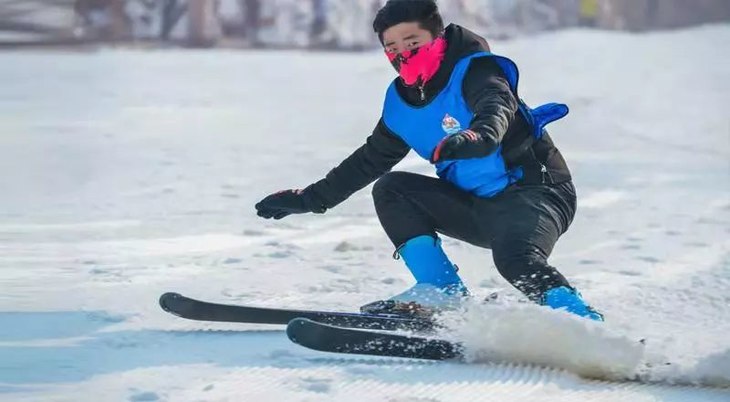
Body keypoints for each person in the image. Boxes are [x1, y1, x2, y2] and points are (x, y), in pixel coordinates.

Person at [255, 0, 603, 321]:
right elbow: (368, 160)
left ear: (438, 36)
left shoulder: (477, 72)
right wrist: (310, 199)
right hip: (478, 205)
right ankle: (442, 291)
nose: (402, 55)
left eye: (412, 43)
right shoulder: (401, 103)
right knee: (393, 188)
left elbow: (496, 107)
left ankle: (584, 325)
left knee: (516, 261)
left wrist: (478, 137)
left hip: (536, 193)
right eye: (392, 48)